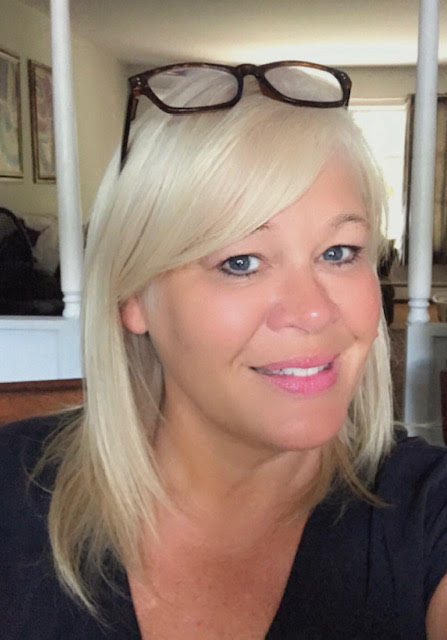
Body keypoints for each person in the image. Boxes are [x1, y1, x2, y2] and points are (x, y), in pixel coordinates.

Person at [1, 61, 447, 640]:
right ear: (133, 296)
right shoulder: (12, 491)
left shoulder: (427, 509)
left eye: (339, 252)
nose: (313, 311)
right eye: (241, 262)